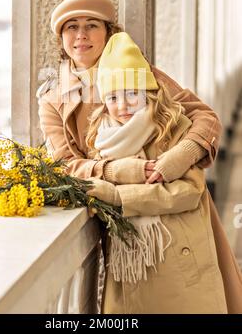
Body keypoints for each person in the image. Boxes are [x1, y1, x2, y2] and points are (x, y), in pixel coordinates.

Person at [37, 0, 242, 313]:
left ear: (108, 31)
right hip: (128, 227)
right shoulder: (53, 99)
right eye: (71, 27)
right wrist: (115, 172)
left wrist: (182, 154)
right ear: (61, 37)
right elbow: (63, 164)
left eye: (92, 25)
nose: (81, 36)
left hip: (177, 209)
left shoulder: (135, 70)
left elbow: (204, 116)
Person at [85, 32, 230, 313]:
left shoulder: (172, 127)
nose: (123, 105)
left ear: (148, 91)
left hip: (176, 254)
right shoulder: (103, 136)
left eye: (131, 93)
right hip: (132, 264)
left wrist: (118, 196)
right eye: (113, 96)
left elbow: (189, 191)